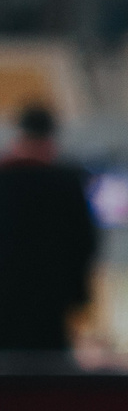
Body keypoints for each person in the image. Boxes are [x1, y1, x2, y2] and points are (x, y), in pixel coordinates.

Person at [0, 103, 102, 355]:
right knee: (45, 381)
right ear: (50, 140)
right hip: (50, 309)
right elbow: (85, 243)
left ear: (19, 137)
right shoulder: (67, 183)